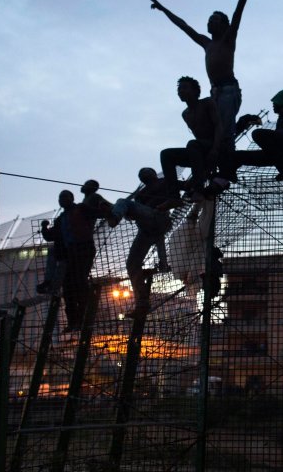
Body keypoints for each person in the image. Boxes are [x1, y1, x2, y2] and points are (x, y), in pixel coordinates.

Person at [150, 0, 259, 180]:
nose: (209, 22)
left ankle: (228, 172)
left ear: (224, 25)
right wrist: (163, 9)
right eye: (209, 20)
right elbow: (184, 26)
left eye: (214, 20)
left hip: (228, 90)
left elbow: (238, 12)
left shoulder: (228, 39)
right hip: (215, 92)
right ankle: (217, 166)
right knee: (215, 131)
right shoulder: (206, 43)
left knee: (226, 131)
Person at [109, 167, 178, 318]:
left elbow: (180, 188)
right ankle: (142, 303)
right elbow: (135, 216)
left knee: (122, 202)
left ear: (153, 174)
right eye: (141, 174)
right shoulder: (140, 195)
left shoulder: (164, 182)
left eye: (146, 172)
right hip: (147, 228)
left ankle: (114, 215)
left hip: (157, 216)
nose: (143, 174)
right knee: (132, 264)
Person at [40, 190, 99, 332]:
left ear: (72, 198)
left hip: (83, 249)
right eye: (60, 197)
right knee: (69, 288)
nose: (62, 200)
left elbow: (96, 213)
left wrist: (106, 209)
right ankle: (74, 322)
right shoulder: (61, 219)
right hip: (71, 254)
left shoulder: (81, 209)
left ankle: (82, 319)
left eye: (65, 197)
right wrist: (44, 228)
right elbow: (50, 236)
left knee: (79, 283)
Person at [160, 76, 226, 201]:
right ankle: (173, 196)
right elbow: (198, 139)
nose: (181, 91)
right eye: (179, 89)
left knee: (193, 144)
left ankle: (198, 189)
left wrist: (215, 150)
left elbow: (218, 126)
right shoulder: (185, 114)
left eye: (184, 88)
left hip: (214, 146)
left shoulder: (207, 103)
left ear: (196, 91)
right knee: (166, 154)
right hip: (199, 150)